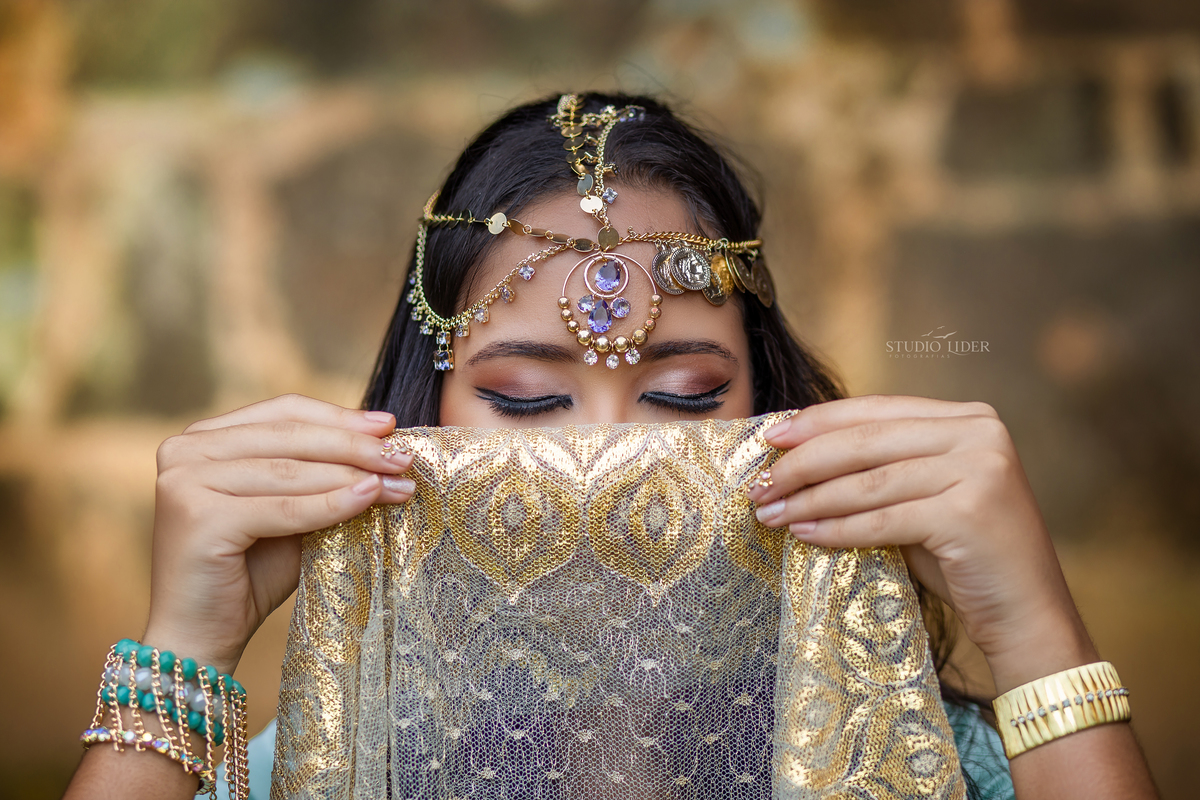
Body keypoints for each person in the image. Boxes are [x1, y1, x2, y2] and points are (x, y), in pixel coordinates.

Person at [63, 92, 1158, 800]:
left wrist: (1035, 635)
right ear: (426, 416)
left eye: (685, 398)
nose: (609, 467)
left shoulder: (931, 757)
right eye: (530, 403)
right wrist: (180, 654)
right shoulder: (318, 767)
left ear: (768, 408)